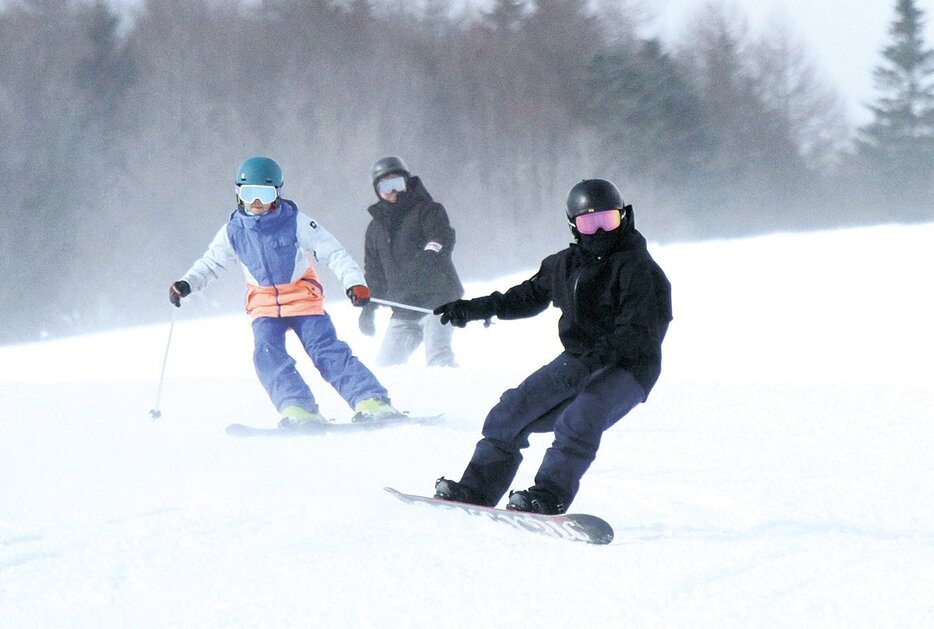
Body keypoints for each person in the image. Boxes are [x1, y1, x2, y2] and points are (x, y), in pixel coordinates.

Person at [432, 179, 672, 514]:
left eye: (608, 220)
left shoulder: (640, 270)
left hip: (630, 367)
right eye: (590, 223)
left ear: (624, 217)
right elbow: (526, 297)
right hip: (580, 359)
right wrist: (473, 308)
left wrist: (593, 362)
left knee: (580, 417)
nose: (601, 231)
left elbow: (638, 333)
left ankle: (548, 496)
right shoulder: (565, 265)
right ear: (574, 226)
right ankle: (476, 490)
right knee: (511, 410)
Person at [169, 156, 403, 427]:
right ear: (238, 194)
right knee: (266, 354)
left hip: (303, 299)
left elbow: (332, 251)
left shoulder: (295, 221)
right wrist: (186, 284)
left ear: (277, 195)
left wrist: (354, 282)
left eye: (264, 194)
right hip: (264, 306)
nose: (256, 202)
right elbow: (209, 263)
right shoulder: (232, 232)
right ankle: (298, 407)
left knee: (325, 350)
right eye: (249, 194)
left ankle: (371, 399)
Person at [359, 156, 464, 367]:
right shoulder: (376, 229)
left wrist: (428, 258)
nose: (392, 192)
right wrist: (369, 307)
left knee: (438, 356)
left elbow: (441, 238)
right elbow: (375, 273)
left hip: (438, 302)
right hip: (404, 308)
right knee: (386, 366)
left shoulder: (428, 211)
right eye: (385, 186)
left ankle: (452, 393)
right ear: (377, 190)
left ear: (407, 182)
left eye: (397, 183)